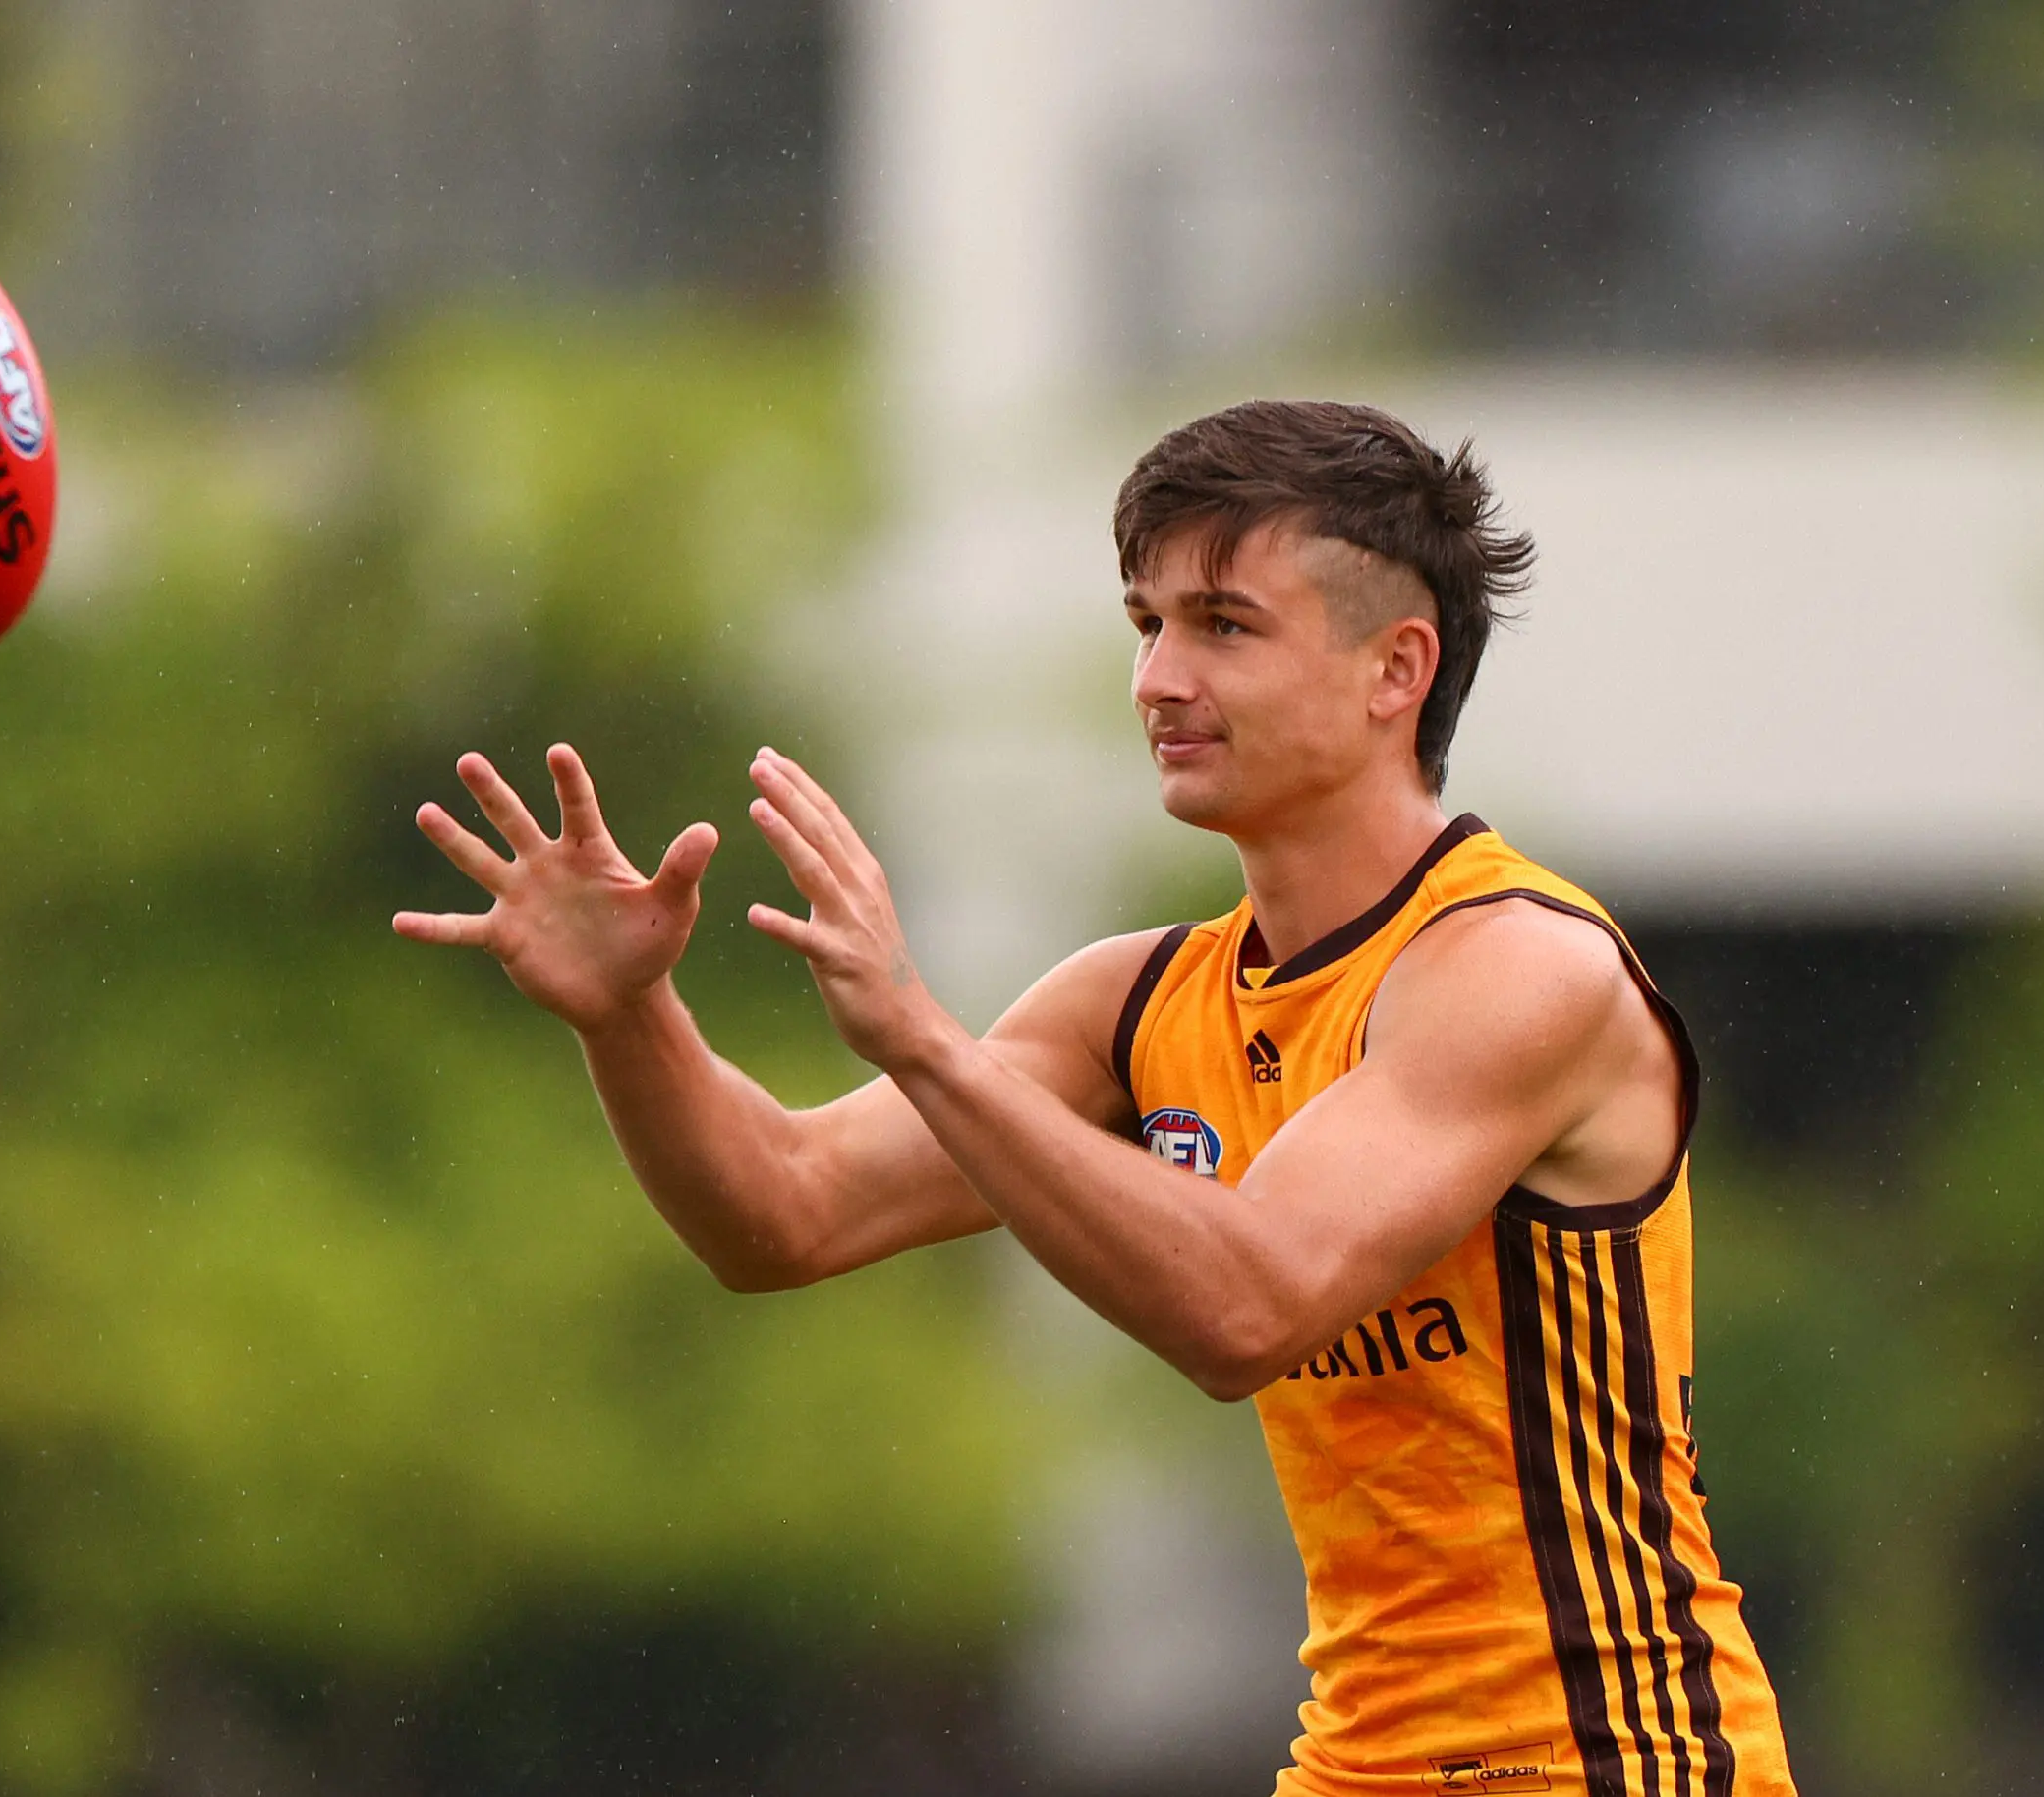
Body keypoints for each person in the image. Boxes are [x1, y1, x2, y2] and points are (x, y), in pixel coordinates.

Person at [391, 400, 1795, 1797]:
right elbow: (781, 1214)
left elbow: (1248, 1307)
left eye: (1224, 625)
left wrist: (924, 1043)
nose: (1161, 678)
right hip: (1358, 1768)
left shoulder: (1518, 970)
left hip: (1613, 1765)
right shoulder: (1138, 1005)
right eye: (1147, 625)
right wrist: (631, 1012)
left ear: (1396, 670)